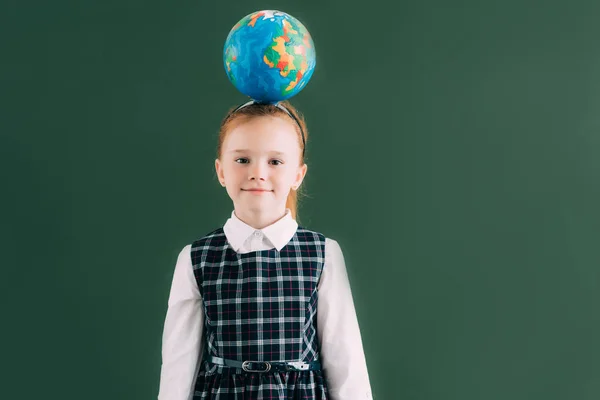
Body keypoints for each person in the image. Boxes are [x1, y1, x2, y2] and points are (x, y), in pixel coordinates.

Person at [157, 100, 373, 399]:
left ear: (298, 174)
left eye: (275, 161)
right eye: (242, 160)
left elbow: (346, 363)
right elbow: (177, 369)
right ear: (221, 171)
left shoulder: (323, 254)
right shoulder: (196, 258)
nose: (258, 173)